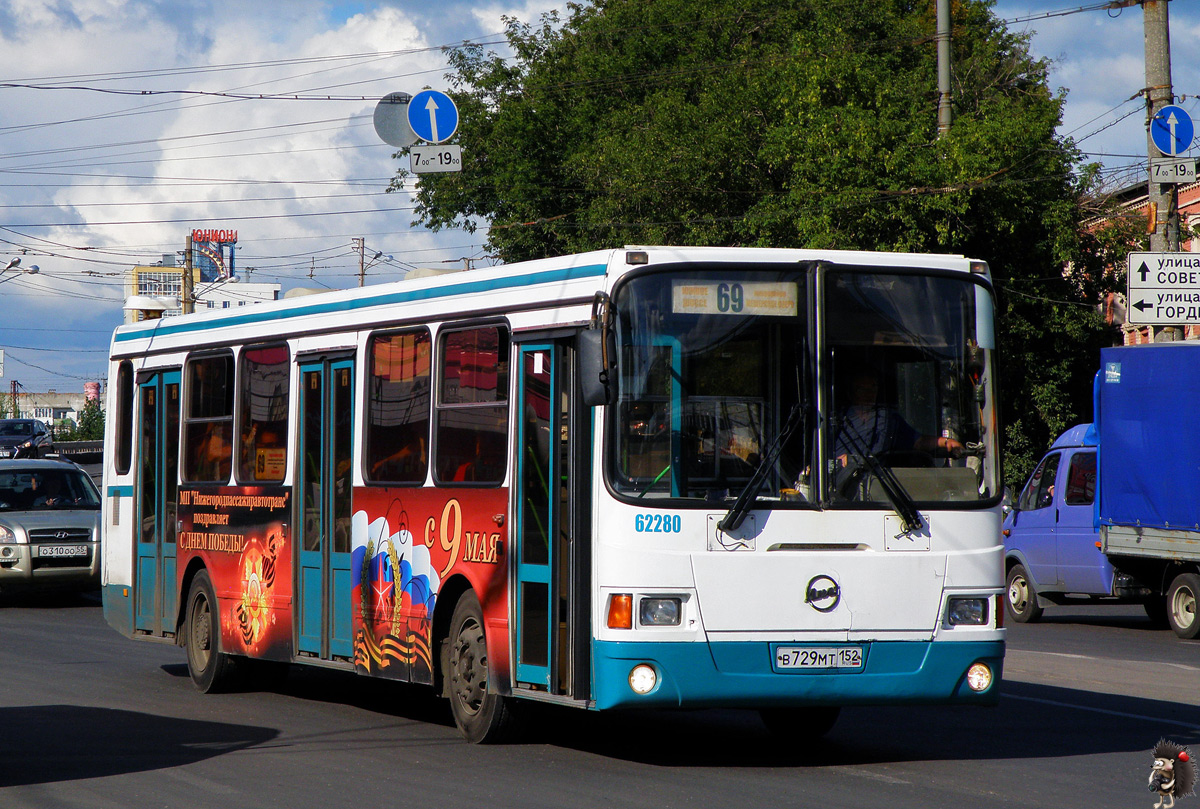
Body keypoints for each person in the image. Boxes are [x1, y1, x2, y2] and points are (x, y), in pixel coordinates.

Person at [834, 370, 963, 464]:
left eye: (873, 388)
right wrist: (839, 461)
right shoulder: (836, 421)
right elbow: (821, 460)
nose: (870, 394)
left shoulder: (887, 419)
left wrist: (945, 441)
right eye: (862, 389)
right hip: (845, 488)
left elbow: (918, 442)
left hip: (880, 485)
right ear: (850, 392)